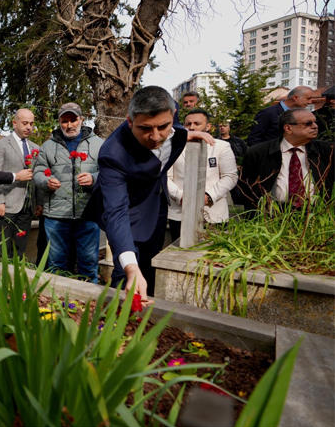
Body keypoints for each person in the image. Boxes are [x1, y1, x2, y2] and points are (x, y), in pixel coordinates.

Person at [83, 86, 214, 299]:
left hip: (157, 203)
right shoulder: (113, 154)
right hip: (129, 209)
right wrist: (130, 268)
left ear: (173, 115)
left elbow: (171, 128)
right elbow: (116, 212)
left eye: (163, 126)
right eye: (144, 128)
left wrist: (186, 134)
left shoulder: (172, 114)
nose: (155, 137)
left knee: (151, 264)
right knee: (127, 272)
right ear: (130, 121)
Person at [33, 102, 104, 283]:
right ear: (59, 122)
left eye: (73, 120)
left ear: (81, 119)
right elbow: (38, 172)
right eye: (65, 121)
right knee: (56, 265)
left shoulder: (98, 144)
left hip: (87, 214)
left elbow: (109, 173)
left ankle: (89, 304)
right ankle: (55, 305)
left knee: (88, 264)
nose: (69, 125)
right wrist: (46, 181)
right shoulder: (47, 146)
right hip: (56, 216)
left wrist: (94, 179)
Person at [238, 108, 334, 211]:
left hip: (317, 214)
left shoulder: (328, 151)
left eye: (315, 122)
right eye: (308, 123)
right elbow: (245, 186)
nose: (315, 126)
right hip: (272, 215)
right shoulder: (259, 152)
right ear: (288, 128)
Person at [167, 109, 238, 241]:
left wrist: (208, 197)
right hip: (180, 212)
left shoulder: (222, 146)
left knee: (212, 257)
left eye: (197, 123)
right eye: (188, 124)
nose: (192, 127)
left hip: (213, 213)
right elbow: (166, 177)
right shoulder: (174, 147)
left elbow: (230, 177)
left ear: (208, 126)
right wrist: (181, 196)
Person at [0, 108, 42, 258]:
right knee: (2, 250)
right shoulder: (1, 145)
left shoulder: (35, 148)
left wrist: (38, 202)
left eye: (31, 124)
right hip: (7, 205)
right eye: (25, 123)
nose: (29, 127)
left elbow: (36, 177)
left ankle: (15, 279)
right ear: (14, 123)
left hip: (27, 206)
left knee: (19, 249)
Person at [246, 86, 312, 147]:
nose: (310, 102)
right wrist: (265, 156)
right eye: (308, 98)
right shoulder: (268, 113)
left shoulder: (302, 115)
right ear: (295, 98)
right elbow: (253, 139)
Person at [217, 120, 248, 205]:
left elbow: (247, 154)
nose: (222, 128)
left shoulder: (238, 141)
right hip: (220, 172)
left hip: (237, 171)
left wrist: (241, 165)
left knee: (238, 194)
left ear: (229, 128)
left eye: (224, 126)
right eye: (220, 126)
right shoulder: (215, 142)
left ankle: (239, 212)